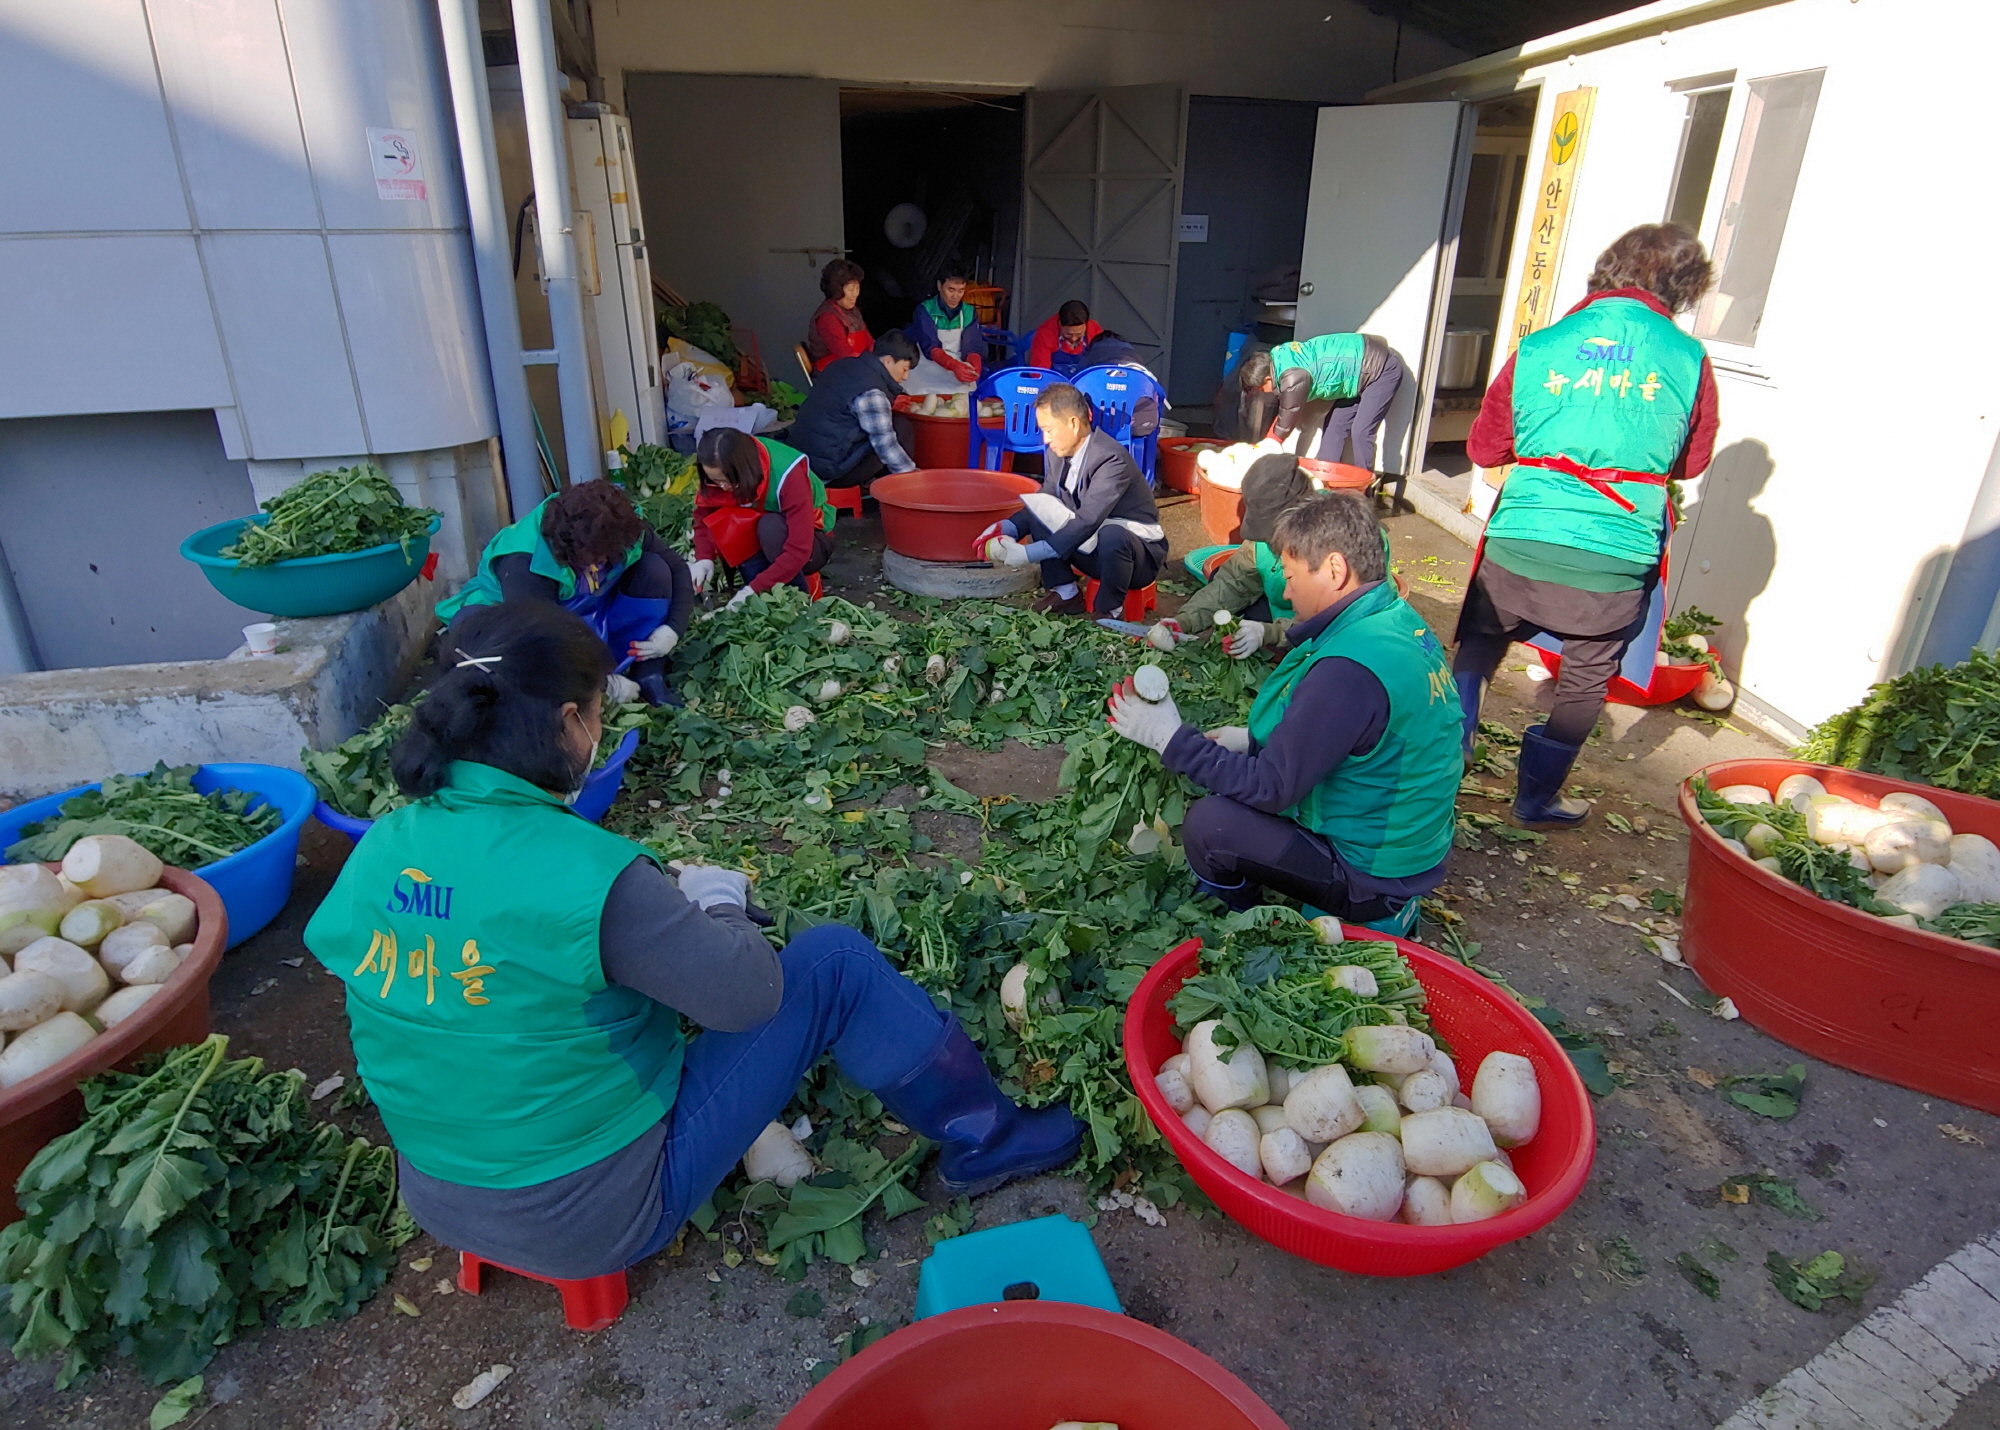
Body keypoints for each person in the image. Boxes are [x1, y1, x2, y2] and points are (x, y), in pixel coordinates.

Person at [302, 601, 1083, 1282]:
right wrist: (719, 904)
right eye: (598, 712)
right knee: (835, 963)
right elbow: (748, 997)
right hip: (584, 1216)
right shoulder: (587, 875)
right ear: (569, 723)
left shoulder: (382, 845)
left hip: (439, 1192)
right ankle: (988, 1137)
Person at [1453, 222, 1719, 829]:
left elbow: (1485, 446)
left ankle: (1452, 749)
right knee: (1587, 673)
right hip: (1615, 547)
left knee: (1484, 638)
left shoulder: (1541, 346)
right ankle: (1536, 799)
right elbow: (1691, 461)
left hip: (1524, 531)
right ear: (1682, 288)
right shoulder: (1688, 359)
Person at [1105, 491, 1460, 926]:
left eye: (1291, 577)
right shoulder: (1396, 620)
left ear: (1335, 570)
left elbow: (1271, 789)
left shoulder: (1347, 671)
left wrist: (1171, 740)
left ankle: (1239, 917)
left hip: (1372, 876)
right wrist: (1253, 741)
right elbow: (1357, 734)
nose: (1287, 595)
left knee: (1211, 823)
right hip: (1414, 846)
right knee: (1232, 782)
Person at [436, 481, 692, 708]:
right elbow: (539, 642)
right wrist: (602, 683)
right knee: (478, 638)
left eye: (603, 558)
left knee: (654, 570)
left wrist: (672, 629)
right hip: (523, 622)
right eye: (590, 560)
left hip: (591, 607)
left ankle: (647, 673)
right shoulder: (523, 563)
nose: (596, 568)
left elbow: (678, 569)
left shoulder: (623, 527)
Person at [976, 382, 1165, 617]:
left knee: (1113, 536)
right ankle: (1066, 593)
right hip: (1091, 547)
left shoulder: (1111, 459)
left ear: (1073, 424)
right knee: (1042, 508)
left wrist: (1027, 554)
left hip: (1135, 559)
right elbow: (1046, 497)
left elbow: (1088, 519)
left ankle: (1109, 610)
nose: (1045, 439)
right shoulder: (1058, 452)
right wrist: (1007, 527)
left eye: (1049, 429)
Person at [1149, 453, 1316, 658]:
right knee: (1225, 580)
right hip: (1278, 615)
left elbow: (1327, 620)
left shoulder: (1325, 543)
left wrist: (1271, 633)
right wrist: (1185, 621)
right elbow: (1233, 583)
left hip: (1314, 635)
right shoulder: (1259, 545)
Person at [691, 428, 837, 610]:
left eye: (726, 481)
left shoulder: (787, 474)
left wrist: (753, 589)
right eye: (715, 481)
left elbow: (799, 550)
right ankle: (757, 601)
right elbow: (704, 515)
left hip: (813, 542)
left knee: (770, 527)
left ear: (744, 469)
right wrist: (704, 558)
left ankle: (797, 603)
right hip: (765, 535)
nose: (723, 487)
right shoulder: (721, 474)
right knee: (731, 522)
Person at [1236, 333, 1404, 469]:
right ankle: (1326, 483)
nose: (1264, 393)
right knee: (1334, 428)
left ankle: (1365, 488)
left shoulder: (1292, 377)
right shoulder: (1279, 359)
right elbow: (1284, 413)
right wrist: (1269, 441)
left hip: (1381, 369)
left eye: (1261, 389)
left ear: (1267, 379)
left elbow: (1287, 418)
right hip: (1355, 375)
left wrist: (1268, 448)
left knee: (1361, 431)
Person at [790, 331, 921, 488]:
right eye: (904, 369)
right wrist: (912, 477)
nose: (905, 377)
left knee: (885, 424)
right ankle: (897, 489)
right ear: (888, 361)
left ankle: (877, 482)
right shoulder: (871, 391)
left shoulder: (844, 365)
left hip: (801, 459)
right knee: (901, 428)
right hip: (827, 472)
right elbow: (884, 443)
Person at [906, 268, 984, 385]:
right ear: (939, 286)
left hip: (958, 372)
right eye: (951, 290)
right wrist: (953, 366)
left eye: (961, 291)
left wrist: (975, 364)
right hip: (926, 372)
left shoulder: (969, 312)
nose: (955, 296)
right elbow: (931, 346)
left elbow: (971, 346)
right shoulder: (925, 310)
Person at [803, 258, 872, 373]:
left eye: (857, 288)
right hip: (833, 374)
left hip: (855, 366)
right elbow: (845, 356)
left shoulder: (853, 311)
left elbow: (869, 343)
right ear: (837, 290)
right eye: (851, 289)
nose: (855, 294)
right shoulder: (828, 317)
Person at [1025, 299, 1104, 377]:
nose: (1074, 339)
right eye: (1068, 334)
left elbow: (1103, 364)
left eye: (1079, 334)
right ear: (1060, 323)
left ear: (1086, 324)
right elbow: (1039, 373)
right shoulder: (1045, 334)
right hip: (1053, 382)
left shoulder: (1095, 330)